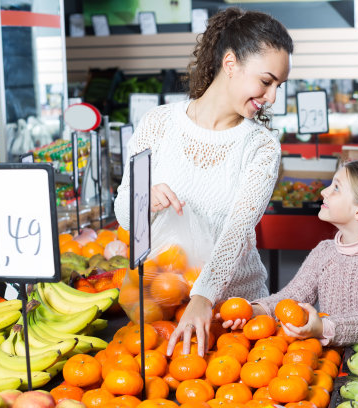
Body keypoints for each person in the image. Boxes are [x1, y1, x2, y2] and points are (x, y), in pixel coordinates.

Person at [114, 7, 293, 356]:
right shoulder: (158, 124)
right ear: (230, 64)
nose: (272, 97)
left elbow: (236, 230)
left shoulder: (261, 146)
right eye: (266, 82)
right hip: (161, 303)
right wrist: (143, 199)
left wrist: (203, 297)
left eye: (278, 86)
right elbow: (124, 214)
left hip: (233, 313)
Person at [223, 159, 358, 346]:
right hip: (333, 360)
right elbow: (292, 297)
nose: (324, 192)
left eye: (336, 188)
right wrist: (253, 310)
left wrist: (322, 327)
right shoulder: (325, 251)